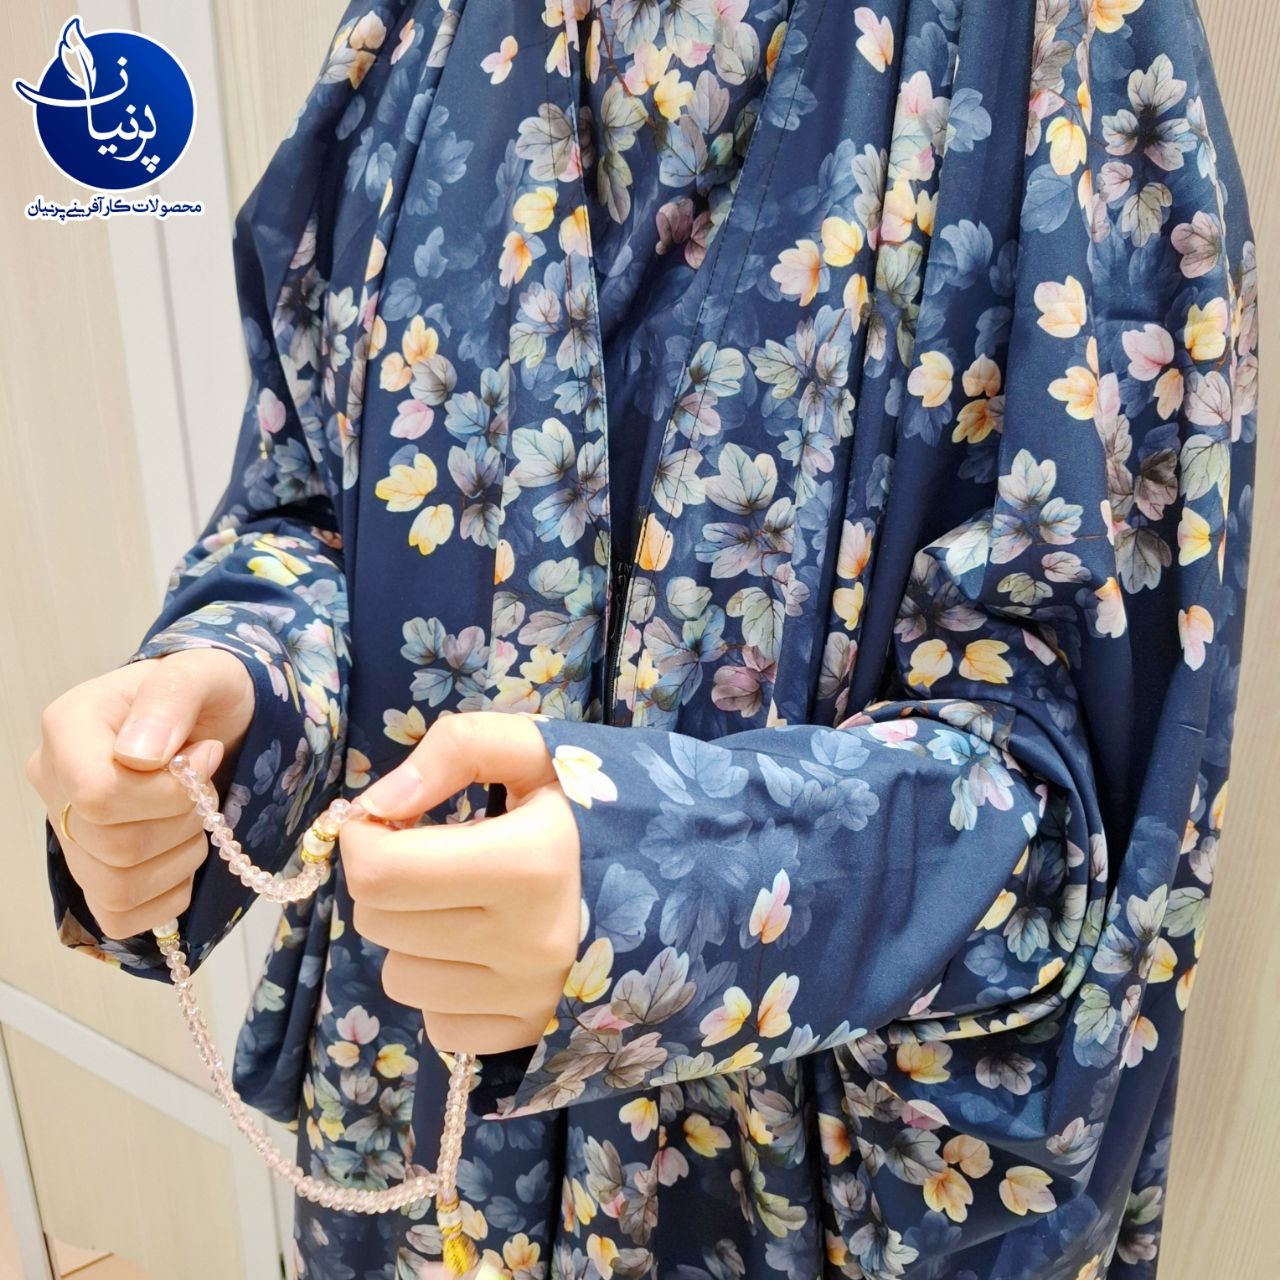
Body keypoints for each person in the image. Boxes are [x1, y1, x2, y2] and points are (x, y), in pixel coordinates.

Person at [26, 0, 1258, 1276]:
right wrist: (234, 688)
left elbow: (1096, 811)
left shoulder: (1064, 40)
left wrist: (661, 885)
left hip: (769, 1197)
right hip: (413, 1140)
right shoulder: (425, 27)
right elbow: (323, 499)